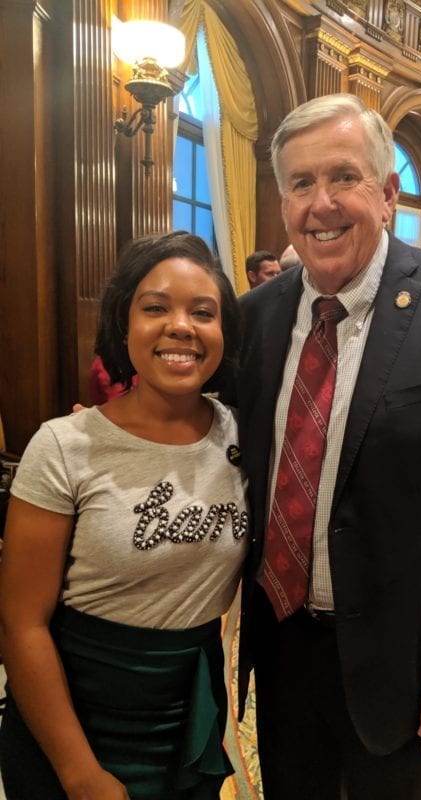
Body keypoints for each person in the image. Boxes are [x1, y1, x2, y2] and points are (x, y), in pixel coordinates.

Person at [234, 93, 421, 799]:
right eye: (301, 184)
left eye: (343, 177)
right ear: (283, 201)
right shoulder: (256, 317)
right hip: (280, 647)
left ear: (388, 192)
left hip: (409, 660)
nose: (322, 203)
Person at [0, 231, 249, 799]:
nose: (180, 326)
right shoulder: (65, 445)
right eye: (155, 307)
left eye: (203, 312)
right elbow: (21, 623)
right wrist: (79, 773)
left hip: (187, 716)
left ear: (224, 332)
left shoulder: (244, 435)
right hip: (73, 718)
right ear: (123, 324)